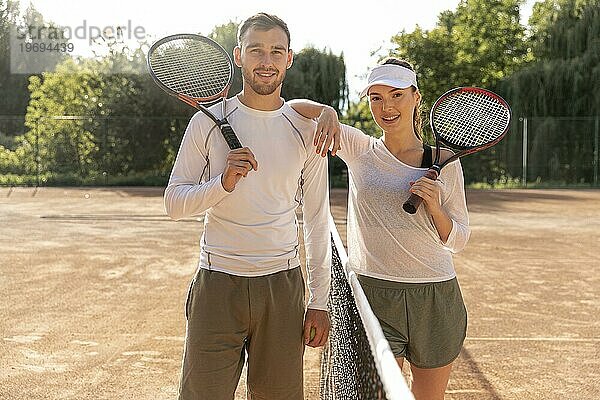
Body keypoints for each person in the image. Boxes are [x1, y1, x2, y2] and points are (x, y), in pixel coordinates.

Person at [164, 12, 331, 400]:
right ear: (239, 56)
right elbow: (174, 203)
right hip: (217, 284)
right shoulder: (207, 122)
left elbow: (318, 220)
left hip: (282, 286)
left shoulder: (307, 129)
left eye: (276, 51)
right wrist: (222, 183)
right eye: (256, 50)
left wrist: (320, 300)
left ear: (289, 58)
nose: (266, 61)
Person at [290, 57, 470, 400]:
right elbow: (291, 110)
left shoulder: (445, 160)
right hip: (373, 296)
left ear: (416, 98)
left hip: (435, 298)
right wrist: (326, 111)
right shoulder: (360, 149)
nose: (386, 106)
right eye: (376, 97)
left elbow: (458, 239)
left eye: (396, 95)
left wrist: (434, 205)